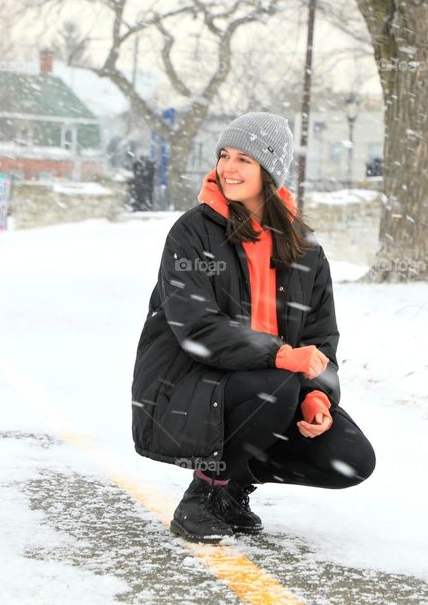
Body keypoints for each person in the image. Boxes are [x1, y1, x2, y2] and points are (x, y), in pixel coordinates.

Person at [131, 112, 376, 543]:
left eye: (243, 158)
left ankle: (234, 487)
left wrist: (318, 394)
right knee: (276, 386)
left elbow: (321, 339)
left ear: (270, 169)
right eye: (224, 155)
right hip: (188, 386)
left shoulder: (305, 249)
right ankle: (203, 495)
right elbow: (198, 328)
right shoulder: (193, 233)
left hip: (267, 391)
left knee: (351, 457)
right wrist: (281, 356)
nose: (227, 167)